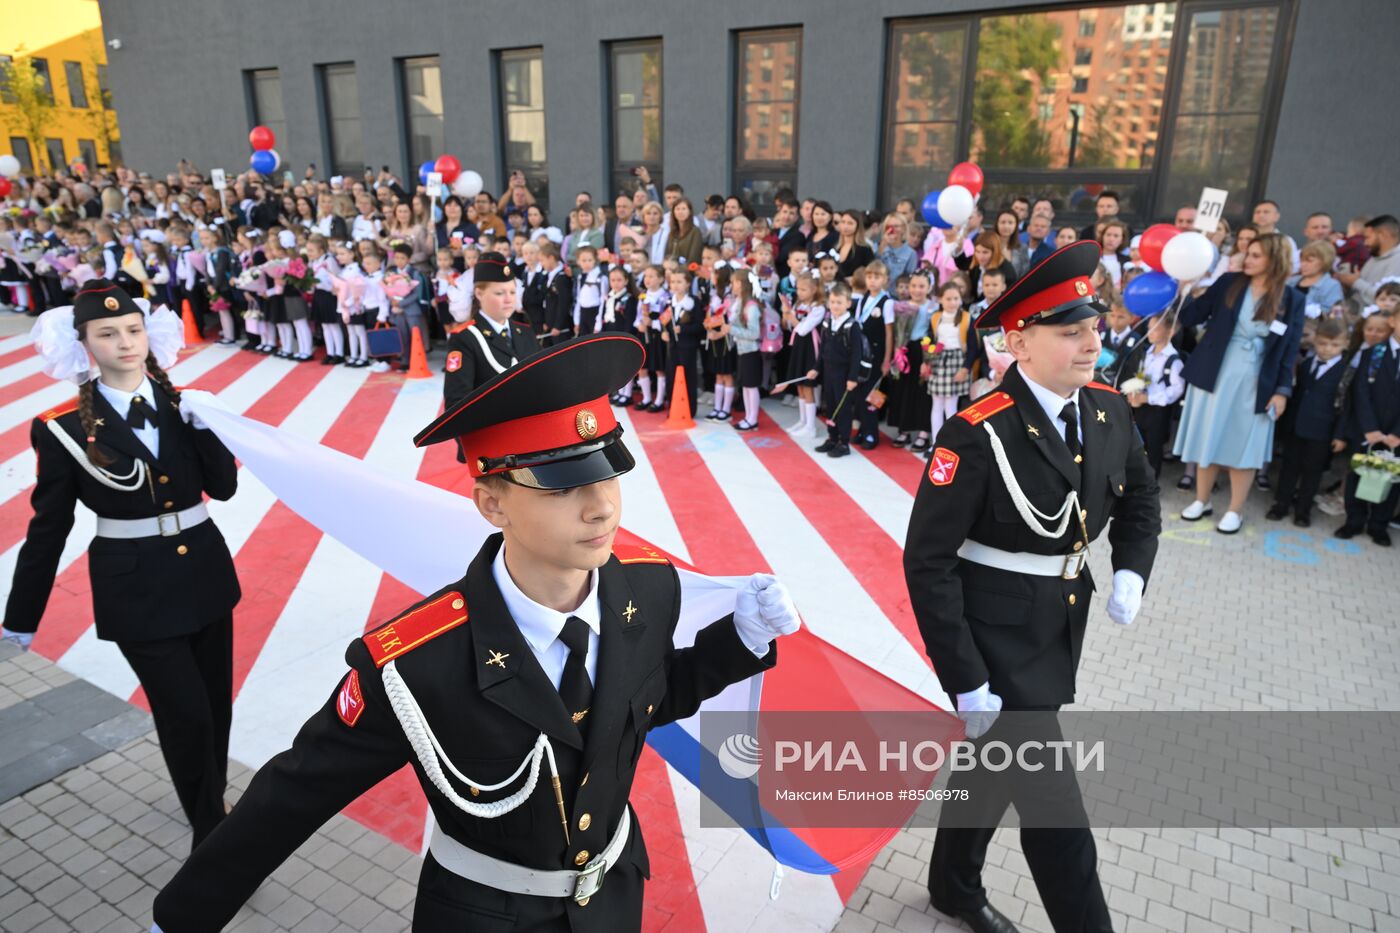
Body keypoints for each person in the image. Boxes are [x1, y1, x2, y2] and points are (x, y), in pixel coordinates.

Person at [150, 333, 799, 931]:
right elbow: (292, 794)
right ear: (492, 502)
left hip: (612, 901)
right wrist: (181, 915)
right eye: (562, 486)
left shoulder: (649, 592)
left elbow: (648, 699)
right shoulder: (415, 664)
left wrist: (738, 640)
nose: (601, 505)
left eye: (607, 471)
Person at [903, 240, 1160, 933]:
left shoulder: (1107, 409)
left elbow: (1140, 498)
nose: (1092, 343)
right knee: (1057, 817)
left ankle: (953, 887)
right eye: (1070, 332)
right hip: (995, 644)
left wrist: (1132, 567)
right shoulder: (976, 432)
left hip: (1057, 626)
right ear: (1018, 341)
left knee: (989, 769)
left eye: (1094, 327)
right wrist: (965, 677)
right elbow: (927, 560)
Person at [1, 281, 242, 849]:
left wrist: (208, 430)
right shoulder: (63, 428)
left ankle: (211, 798)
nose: (125, 342)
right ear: (83, 344)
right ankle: (213, 835)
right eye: (107, 334)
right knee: (185, 716)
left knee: (214, 708)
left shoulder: (184, 406)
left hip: (205, 575)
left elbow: (223, 489)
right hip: (135, 592)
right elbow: (49, 527)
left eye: (133, 330)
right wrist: (21, 617)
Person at [1175, 233, 1305, 534]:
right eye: (1248, 253)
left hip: (1258, 381)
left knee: (1244, 446)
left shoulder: (1292, 299)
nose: (1248, 260)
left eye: (1256, 255)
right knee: (1207, 438)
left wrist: (1282, 391)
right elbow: (1192, 316)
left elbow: (1290, 349)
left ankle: (1235, 510)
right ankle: (1202, 500)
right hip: (1214, 374)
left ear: (1275, 259)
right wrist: (1185, 288)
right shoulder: (1228, 283)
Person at [1267, 317, 1348, 528]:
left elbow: (1347, 407)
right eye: (1322, 343)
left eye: (1334, 345)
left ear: (1345, 344)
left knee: (1312, 473)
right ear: (1315, 341)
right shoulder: (1306, 364)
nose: (1327, 349)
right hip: (1296, 427)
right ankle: (1281, 504)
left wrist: (1339, 435)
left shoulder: (1346, 372)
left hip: (1323, 432)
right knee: (1289, 467)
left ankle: (1303, 511)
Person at [1335, 308, 1400, 544]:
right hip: (1367, 429)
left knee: (1390, 480)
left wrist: (1397, 433)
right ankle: (1354, 521)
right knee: (1358, 474)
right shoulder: (1372, 354)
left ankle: (1378, 525)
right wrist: (1369, 427)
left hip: (1395, 434)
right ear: (1392, 321)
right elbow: (1360, 392)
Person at [443, 252, 540, 408]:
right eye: (499, 293)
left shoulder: (525, 332)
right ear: (479, 293)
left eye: (512, 292)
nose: (509, 299)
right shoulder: (465, 339)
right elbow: (456, 404)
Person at [808, 283, 869, 458]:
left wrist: (852, 378)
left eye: (839, 302)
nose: (835, 306)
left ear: (848, 303)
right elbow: (823, 349)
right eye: (833, 302)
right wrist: (816, 368)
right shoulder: (828, 322)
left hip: (844, 375)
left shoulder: (852, 326)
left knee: (843, 409)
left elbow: (856, 354)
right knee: (831, 406)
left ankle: (844, 442)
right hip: (829, 372)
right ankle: (832, 437)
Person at [1125, 310, 1186, 477]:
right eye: (1149, 328)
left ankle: (1151, 483)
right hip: (1141, 408)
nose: (1150, 332)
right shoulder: (1147, 353)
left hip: (1158, 412)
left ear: (1170, 332)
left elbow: (1176, 389)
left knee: (1153, 449)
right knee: (1138, 446)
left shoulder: (1173, 360)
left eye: (1156, 329)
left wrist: (1149, 398)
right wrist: (1135, 392)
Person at [923, 281, 975, 442]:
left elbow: (973, 347)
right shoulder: (935, 318)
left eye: (956, 298)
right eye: (948, 299)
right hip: (938, 361)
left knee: (951, 405)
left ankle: (950, 442)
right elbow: (930, 340)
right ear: (940, 299)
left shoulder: (967, 318)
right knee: (937, 405)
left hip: (957, 362)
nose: (953, 302)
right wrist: (926, 361)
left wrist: (965, 369)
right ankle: (936, 442)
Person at [853, 260, 894, 450]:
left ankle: (872, 434)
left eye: (877, 277)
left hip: (877, 354)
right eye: (869, 277)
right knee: (860, 393)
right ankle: (863, 429)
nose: (872, 281)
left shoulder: (887, 302)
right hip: (862, 354)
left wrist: (886, 360)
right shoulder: (863, 299)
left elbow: (889, 333)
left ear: (885, 280)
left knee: (872, 394)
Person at [1336, 215, 1400, 306]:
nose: (1365, 243)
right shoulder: (1373, 258)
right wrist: (1347, 284)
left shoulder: (1397, 261)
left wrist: (1355, 282)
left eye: (1367, 237)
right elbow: (1362, 293)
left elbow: (1387, 299)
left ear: (1383, 235)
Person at [1288, 239, 1345, 318]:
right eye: (1302, 261)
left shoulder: (1332, 286)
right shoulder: (1292, 281)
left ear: (1324, 262)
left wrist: (1316, 312)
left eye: (1309, 261)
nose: (1303, 265)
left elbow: (1337, 316)